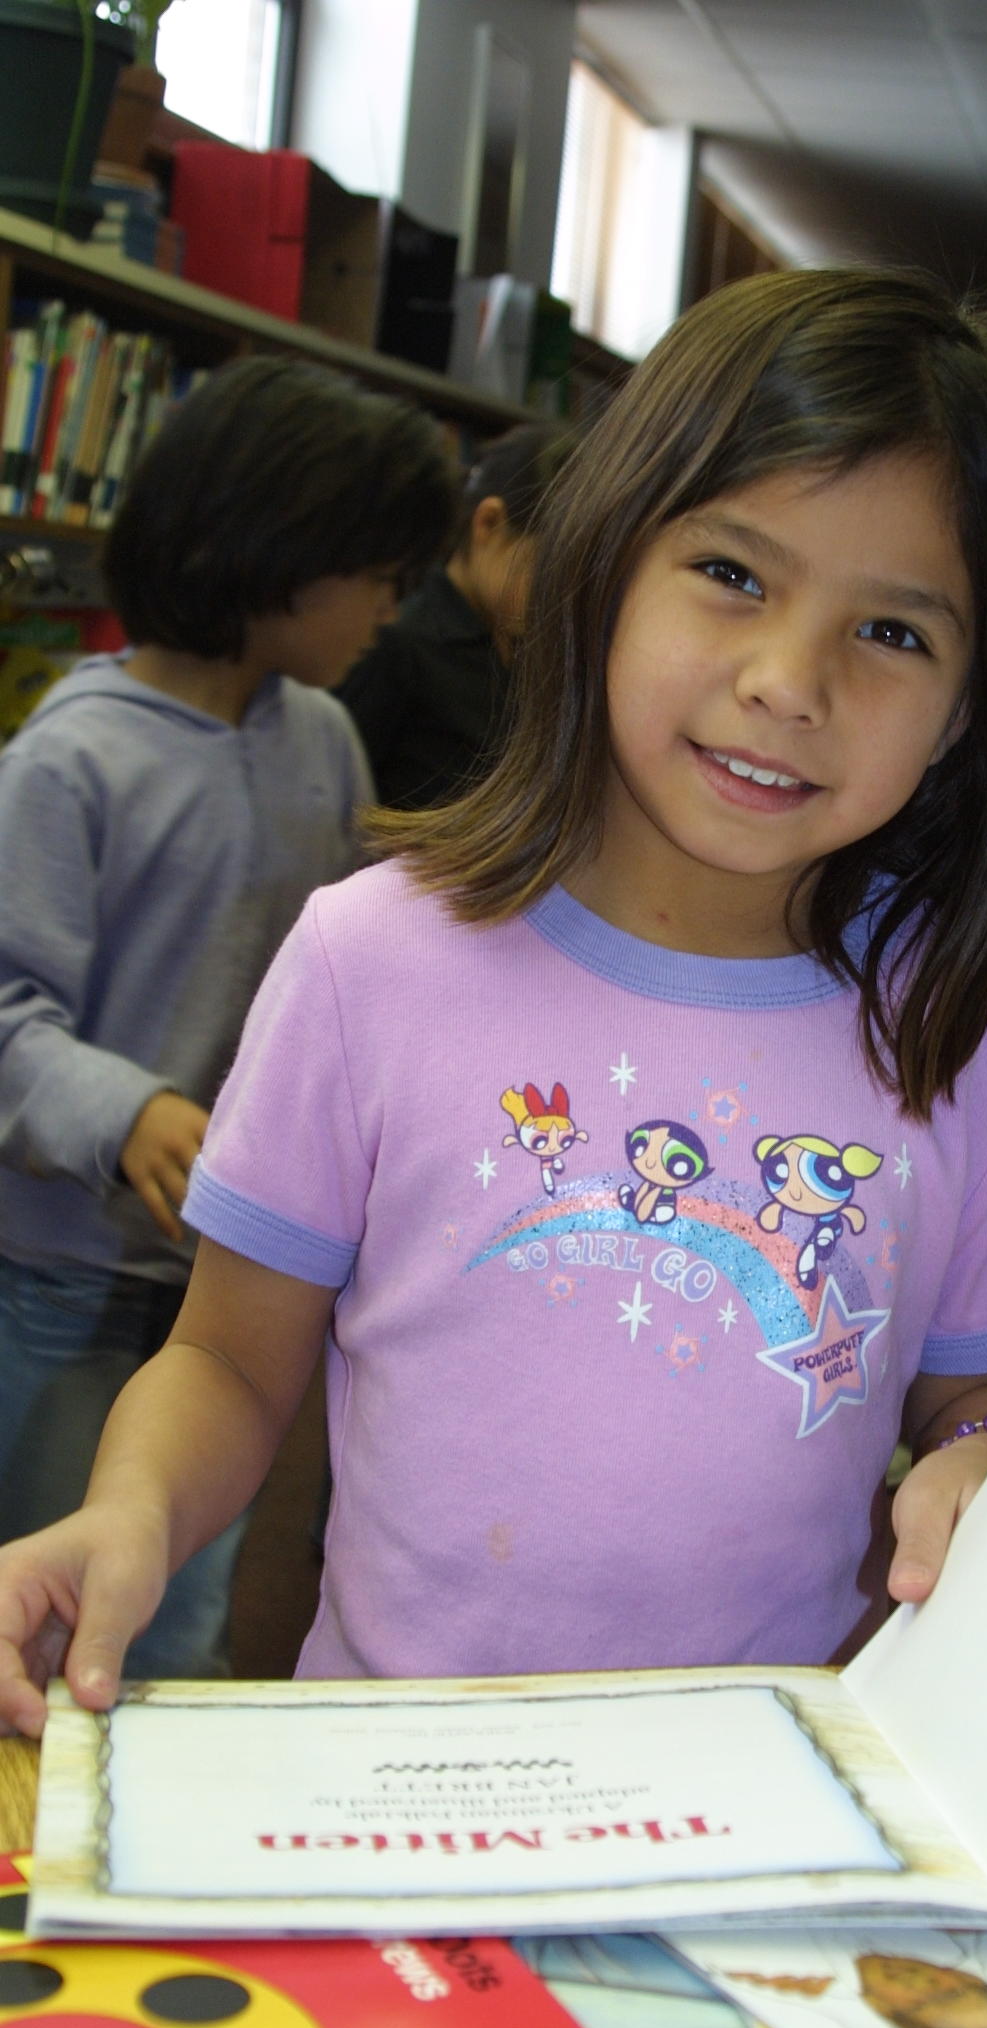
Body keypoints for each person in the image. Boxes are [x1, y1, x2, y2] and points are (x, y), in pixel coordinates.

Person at [0, 265, 987, 1738]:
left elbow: (978, 1396)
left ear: (973, 704)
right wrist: (133, 1512)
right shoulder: (372, 960)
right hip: (400, 1795)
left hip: (779, 1808)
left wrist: (985, 1456)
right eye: (732, 574)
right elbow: (222, 1355)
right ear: (599, 568)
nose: (790, 682)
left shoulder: (964, 1034)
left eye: (895, 633)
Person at [0, 355, 455, 1681]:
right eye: (374, 567)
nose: (391, 603)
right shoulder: (68, 764)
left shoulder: (322, 741)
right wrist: (126, 1110)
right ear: (272, 547)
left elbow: (348, 980)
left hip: (238, 1285)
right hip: (59, 1274)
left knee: (178, 1614)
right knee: (49, 1594)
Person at [335, 421, 573, 807]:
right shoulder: (398, 641)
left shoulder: (536, 653)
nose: (561, 600)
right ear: (489, 523)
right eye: (548, 571)